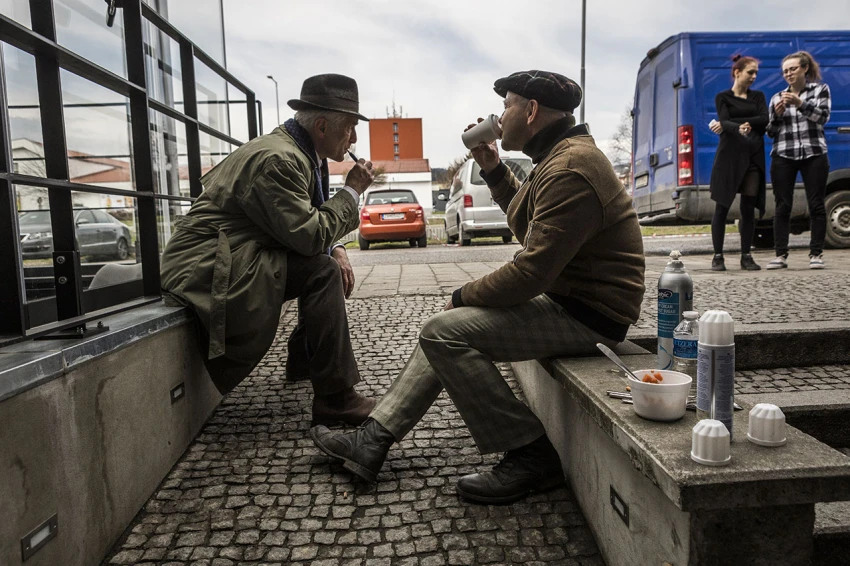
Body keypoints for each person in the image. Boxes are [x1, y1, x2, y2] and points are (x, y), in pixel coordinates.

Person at [310, 70, 646, 504]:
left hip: (590, 315)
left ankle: (531, 454)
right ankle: (371, 441)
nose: (498, 115)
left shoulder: (571, 167)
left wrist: (461, 295)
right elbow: (529, 225)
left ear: (530, 111)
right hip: (572, 299)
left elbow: (531, 272)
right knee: (445, 329)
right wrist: (491, 166)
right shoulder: (562, 156)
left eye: (506, 105)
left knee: (445, 331)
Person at [160, 74, 377, 426]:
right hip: (205, 268)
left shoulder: (299, 152)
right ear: (322, 126)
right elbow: (308, 236)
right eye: (350, 127)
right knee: (321, 271)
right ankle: (336, 399)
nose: (354, 138)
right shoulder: (279, 160)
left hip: (230, 255)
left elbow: (302, 221)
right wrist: (351, 192)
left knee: (323, 263)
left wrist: (335, 246)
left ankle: (303, 363)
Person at [766, 51, 831, 270]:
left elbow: (823, 117)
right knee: (782, 205)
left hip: (814, 153)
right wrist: (776, 115)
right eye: (785, 71)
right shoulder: (777, 97)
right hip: (784, 154)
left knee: (816, 205)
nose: (789, 74)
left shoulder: (820, 90)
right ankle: (780, 255)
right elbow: (771, 132)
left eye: (793, 69)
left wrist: (800, 104)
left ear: (804, 68)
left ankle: (816, 255)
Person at [708, 55, 768, 271]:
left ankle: (746, 256)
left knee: (748, 208)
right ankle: (717, 256)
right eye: (750, 72)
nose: (753, 77)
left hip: (753, 156)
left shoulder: (758, 96)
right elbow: (722, 119)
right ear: (737, 72)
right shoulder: (722, 97)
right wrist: (733, 126)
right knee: (721, 207)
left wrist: (733, 124)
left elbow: (764, 120)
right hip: (728, 158)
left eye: (755, 74)